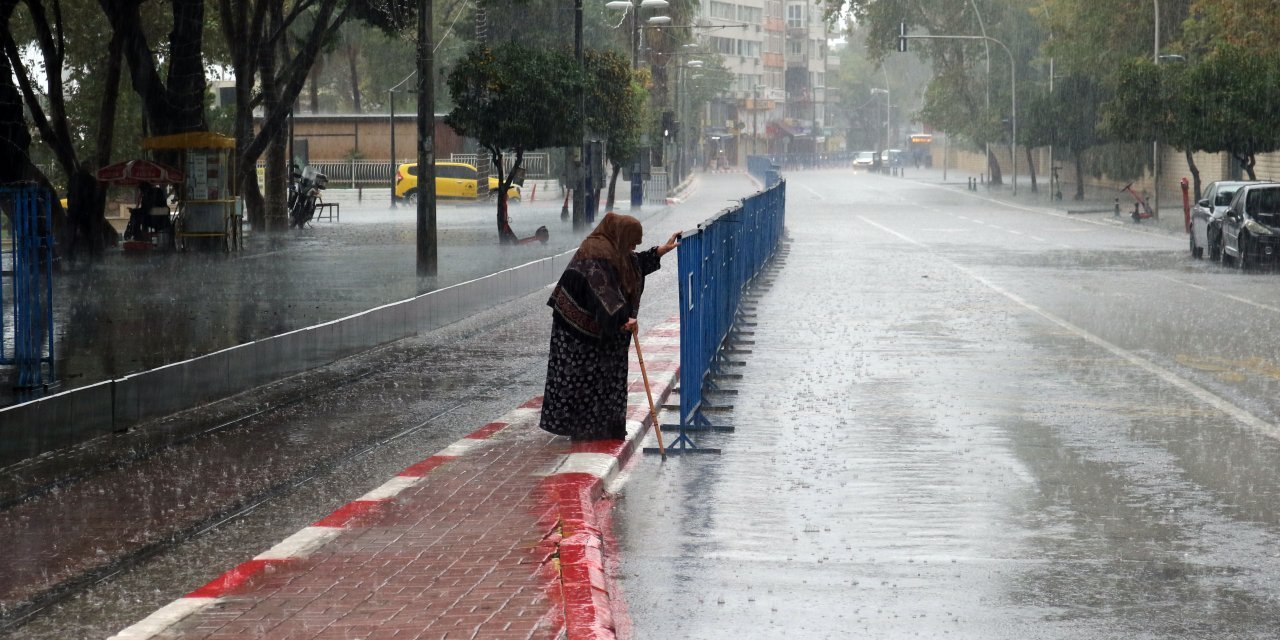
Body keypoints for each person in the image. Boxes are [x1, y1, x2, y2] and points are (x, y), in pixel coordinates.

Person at [539, 213, 680, 440]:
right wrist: (623, 319)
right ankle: (587, 431)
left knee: (604, 374)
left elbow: (631, 263)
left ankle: (604, 428)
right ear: (621, 237)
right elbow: (604, 294)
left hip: (595, 326)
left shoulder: (614, 250)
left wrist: (660, 251)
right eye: (632, 242)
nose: (633, 247)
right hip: (576, 331)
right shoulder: (596, 254)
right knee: (582, 379)